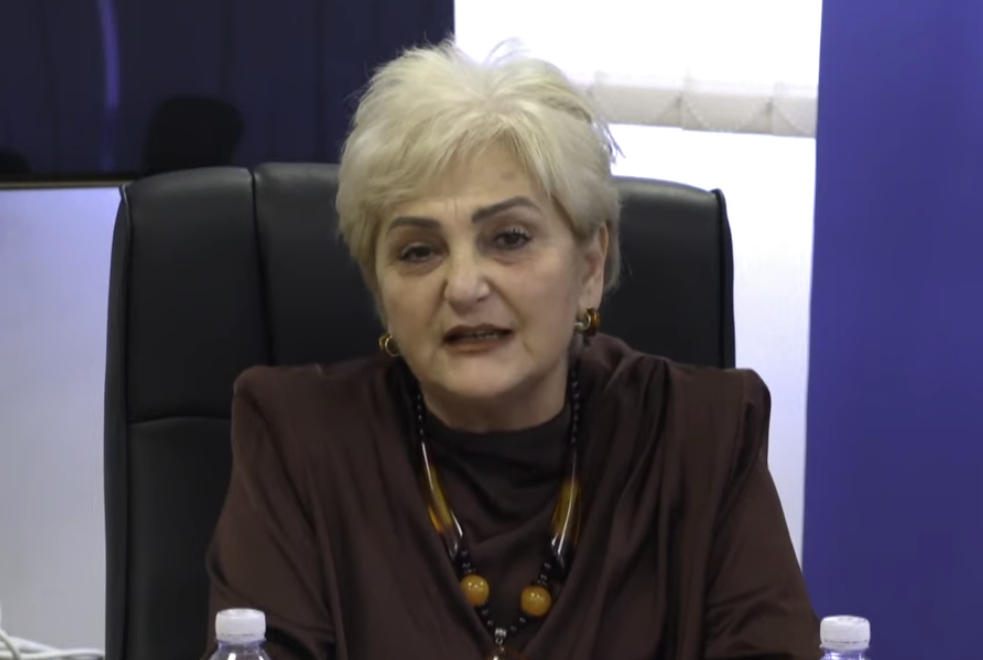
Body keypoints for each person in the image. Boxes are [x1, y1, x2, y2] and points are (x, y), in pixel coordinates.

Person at [205, 42, 820, 660]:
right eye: (419, 251)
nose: (464, 286)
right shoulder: (298, 440)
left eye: (509, 239)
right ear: (380, 291)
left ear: (590, 266)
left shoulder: (703, 438)